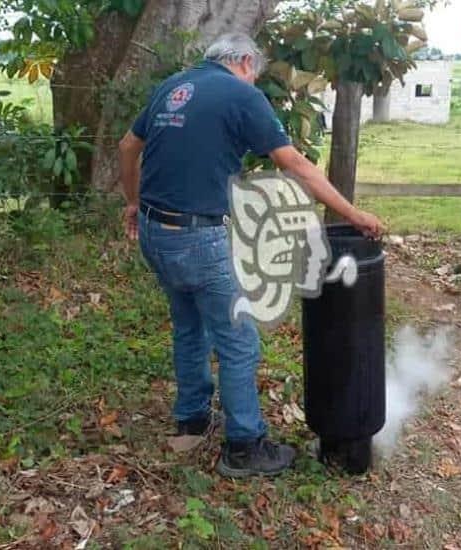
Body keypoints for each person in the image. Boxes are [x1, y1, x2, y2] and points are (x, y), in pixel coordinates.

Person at [118, 32, 384, 478]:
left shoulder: (173, 85)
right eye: (254, 72)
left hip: (152, 231)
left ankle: (192, 419)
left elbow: (128, 146)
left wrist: (131, 201)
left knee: (189, 326)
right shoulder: (242, 94)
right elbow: (295, 165)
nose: (253, 79)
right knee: (239, 340)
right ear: (244, 62)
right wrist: (352, 213)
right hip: (197, 238)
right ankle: (244, 446)